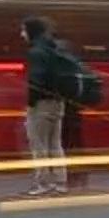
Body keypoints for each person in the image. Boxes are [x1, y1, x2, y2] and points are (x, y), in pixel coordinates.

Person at [20, 16, 75, 196]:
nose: (22, 34)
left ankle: (42, 183)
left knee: (39, 145)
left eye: (24, 30)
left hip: (41, 104)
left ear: (32, 31)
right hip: (58, 103)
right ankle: (60, 183)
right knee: (55, 144)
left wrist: (31, 104)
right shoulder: (55, 48)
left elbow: (36, 81)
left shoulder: (36, 52)